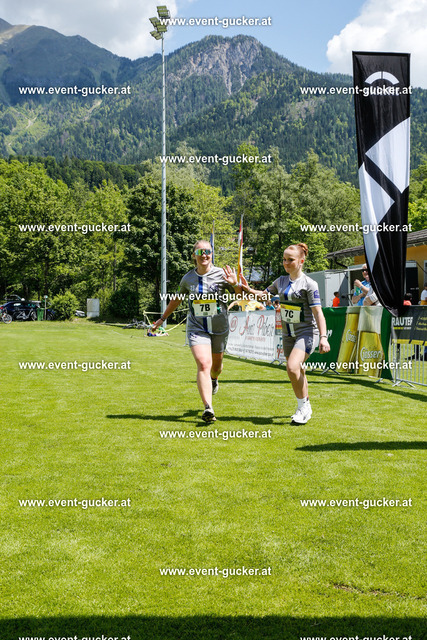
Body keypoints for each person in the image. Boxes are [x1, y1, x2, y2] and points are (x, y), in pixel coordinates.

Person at [239, 243, 330, 424]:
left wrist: (323, 337)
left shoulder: (309, 284)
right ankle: (306, 405)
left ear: (301, 261)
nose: (286, 263)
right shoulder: (280, 281)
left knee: (292, 367)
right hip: (288, 333)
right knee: (297, 370)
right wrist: (247, 289)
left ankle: (302, 408)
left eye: (290, 260)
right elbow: (264, 296)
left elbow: (318, 312)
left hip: (306, 332)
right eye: (284, 259)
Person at [152, 240, 240, 423]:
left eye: (207, 251)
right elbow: (176, 299)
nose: (204, 255)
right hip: (197, 327)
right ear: (194, 256)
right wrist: (162, 318)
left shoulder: (222, 275)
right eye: (200, 252)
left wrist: (235, 283)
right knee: (203, 363)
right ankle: (208, 407)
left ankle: (214, 379)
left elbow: (240, 296)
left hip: (219, 328)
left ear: (212, 254)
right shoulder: (188, 279)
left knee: (216, 367)